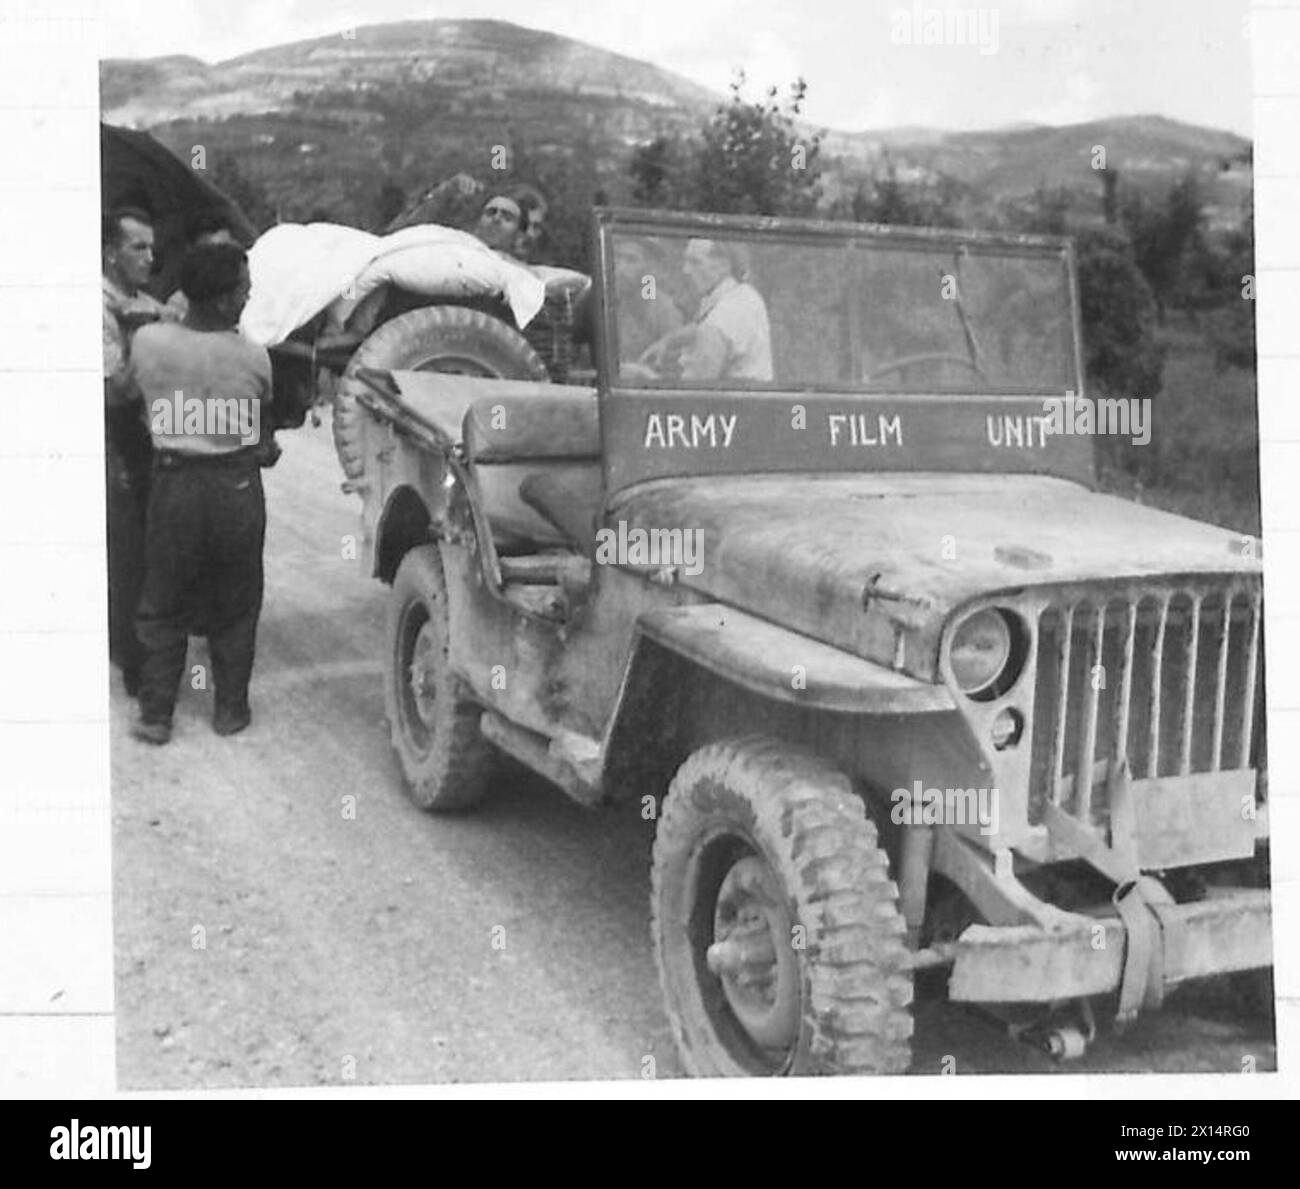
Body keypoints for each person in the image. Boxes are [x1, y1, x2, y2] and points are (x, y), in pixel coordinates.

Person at [124, 242, 273, 744]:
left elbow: (126, 391)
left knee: (163, 598)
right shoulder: (254, 356)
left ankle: (156, 714)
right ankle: (230, 710)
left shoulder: (148, 341)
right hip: (234, 486)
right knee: (236, 602)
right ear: (228, 300)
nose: (249, 297)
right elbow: (260, 433)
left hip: (174, 484)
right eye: (245, 289)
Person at [102, 206, 172, 695]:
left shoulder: (145, 302)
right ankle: (132, 660)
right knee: (127, 552)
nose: (149, 256)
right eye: (137, 247)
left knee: (150, 547)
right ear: (110, 254)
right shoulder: (99, 306)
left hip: (149, 438)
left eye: (152, 246)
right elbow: (115, 392)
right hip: (114, 438)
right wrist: (150, 336)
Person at [639, 238, 773, 382]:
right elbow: (701, 327)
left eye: (695, 262)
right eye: (686, 261)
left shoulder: (719, 321)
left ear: (723, 266)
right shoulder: (744, 294)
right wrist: (669, 340)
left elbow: (694, 391)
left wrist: (643, 376)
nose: (686, 270)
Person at [164, 211, 238, 319]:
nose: (219, 260)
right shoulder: (179, 307)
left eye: (225, 250)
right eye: (209, 253)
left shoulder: (247, 298)